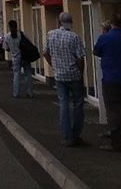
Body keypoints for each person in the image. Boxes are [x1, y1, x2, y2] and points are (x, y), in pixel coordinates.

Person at [94, 14, 121, 152]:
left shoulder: (105, 38)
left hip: (110, 79)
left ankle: (116, 143)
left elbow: (96, 51)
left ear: (112, 24)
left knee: (113, 112)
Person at [43, 11, 86, 146]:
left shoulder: (51, 34)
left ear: (59, 22)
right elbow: (80, 58)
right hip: (74, 75)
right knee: (78, 104)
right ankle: (76, 134)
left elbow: (45, 53)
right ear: (71, 23)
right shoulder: (74, 37)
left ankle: (66, 136)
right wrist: (81, 73)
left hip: (59, 75)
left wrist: (53, 65)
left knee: (63, 104)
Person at [3, 20, 33, 98]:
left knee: (16, 75)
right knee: (28, 74)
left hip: (15, 58)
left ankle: (15, 93)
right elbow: (29, 43)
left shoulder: (7, 36)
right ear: (16, 26)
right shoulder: (21, 35)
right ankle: (29, 92)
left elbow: (6, 48)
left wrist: (12, 49)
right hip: (25, 57)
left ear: (9, 27)